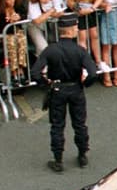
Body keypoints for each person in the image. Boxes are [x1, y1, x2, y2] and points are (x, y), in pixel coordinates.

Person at [31, 14, 97, 172]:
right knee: (80, 124)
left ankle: (58, 159)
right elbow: (93, 73)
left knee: (57, 125)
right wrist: (84, 84)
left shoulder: (50, 50)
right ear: (72, 30)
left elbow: (35, 72)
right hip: (75, 89)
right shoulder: (80, 51)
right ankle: (82, 155)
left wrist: (45, 83)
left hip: (58, 89)